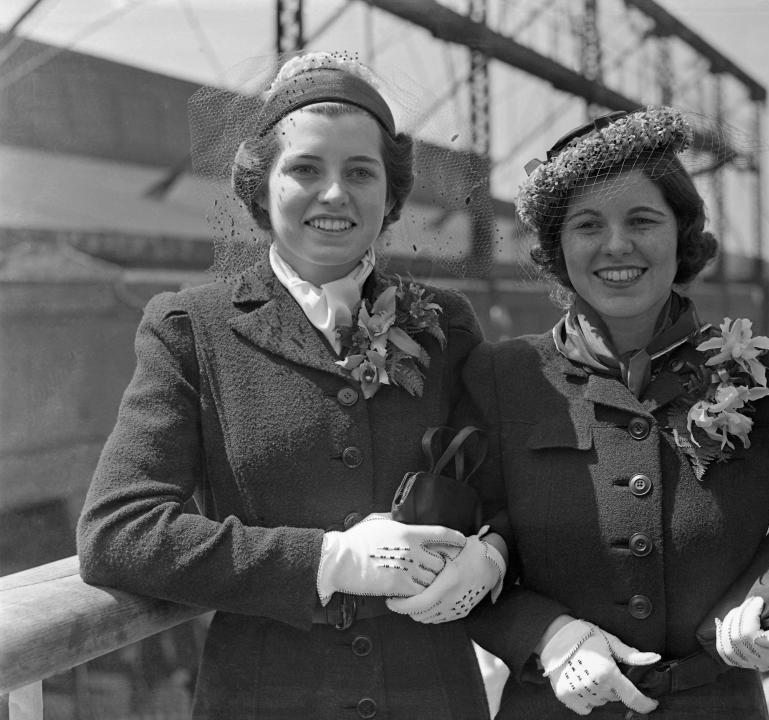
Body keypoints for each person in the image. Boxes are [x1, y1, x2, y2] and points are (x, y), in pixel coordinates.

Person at [76, 52, 507, 720]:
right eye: (305, 169)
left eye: (360, 172)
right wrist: (327, 561)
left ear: (391, 197)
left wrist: (493, 554)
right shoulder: (191, 329)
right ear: (261, 189)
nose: (334, 194)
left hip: (433, 696)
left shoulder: (446, 325)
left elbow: (505, 487)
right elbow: (119, 533)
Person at [442, 108, 769, 719]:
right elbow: (465, 553)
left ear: (682, 235)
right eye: (587, 225)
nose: (616, 245)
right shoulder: (503, 379)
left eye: (643, 220)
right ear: (557, 246)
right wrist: (545, 637)